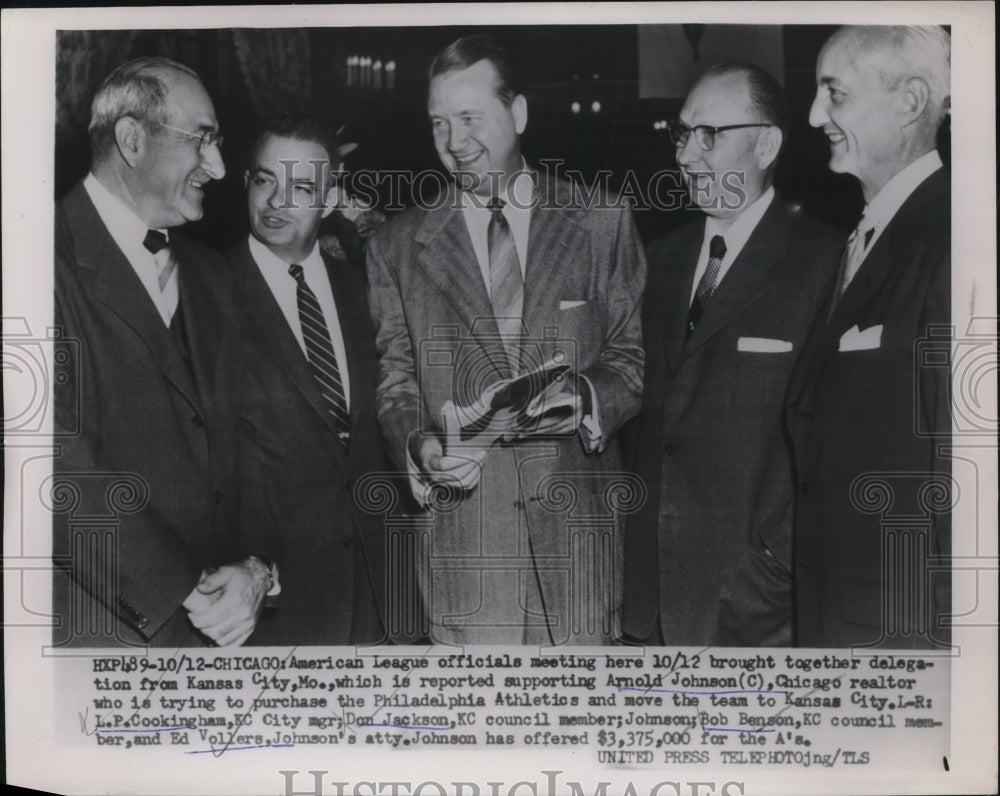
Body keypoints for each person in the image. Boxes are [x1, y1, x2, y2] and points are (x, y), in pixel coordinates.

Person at [366, 34, 645, 645]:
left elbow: (628, 361)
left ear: (517, 114)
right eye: (439, 123)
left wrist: (585, 399)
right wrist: (422, 447)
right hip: (466, 559)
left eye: (470, 118)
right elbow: (396, 383)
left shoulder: (601, 220)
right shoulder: (395, 246)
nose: (454, 142)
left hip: (578, 558)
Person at [620, 63, 842, 646]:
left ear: (766, 143)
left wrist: (773, 568)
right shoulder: (659, 258)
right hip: (650, 605)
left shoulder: (823, 261)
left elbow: (831, 450)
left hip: (756, 608)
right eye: (682, 133)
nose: (686, 156)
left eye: (709, 135)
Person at [53, 57, 271, 647]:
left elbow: (245, 444)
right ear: (131, 139)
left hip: (222, 630)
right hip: (107, 631)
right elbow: (51, 463)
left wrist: (256, 568)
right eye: (202, 141)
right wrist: (186, 589)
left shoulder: (208, 273)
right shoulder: (37, 259)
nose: (220, 168)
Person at [788, 26, 951, 648]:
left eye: (836, 94)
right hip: (841, 617)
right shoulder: (864, 236)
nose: (814, 115)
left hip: (903, 636)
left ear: (909, 102)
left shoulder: (953, 238)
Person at [223, 114, 392, 645]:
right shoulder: (204, 290)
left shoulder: (367, 289)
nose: (276, 202)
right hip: (270, 605)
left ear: (332, 195)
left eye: (299, 187)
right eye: (264, 179)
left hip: (379, 601)